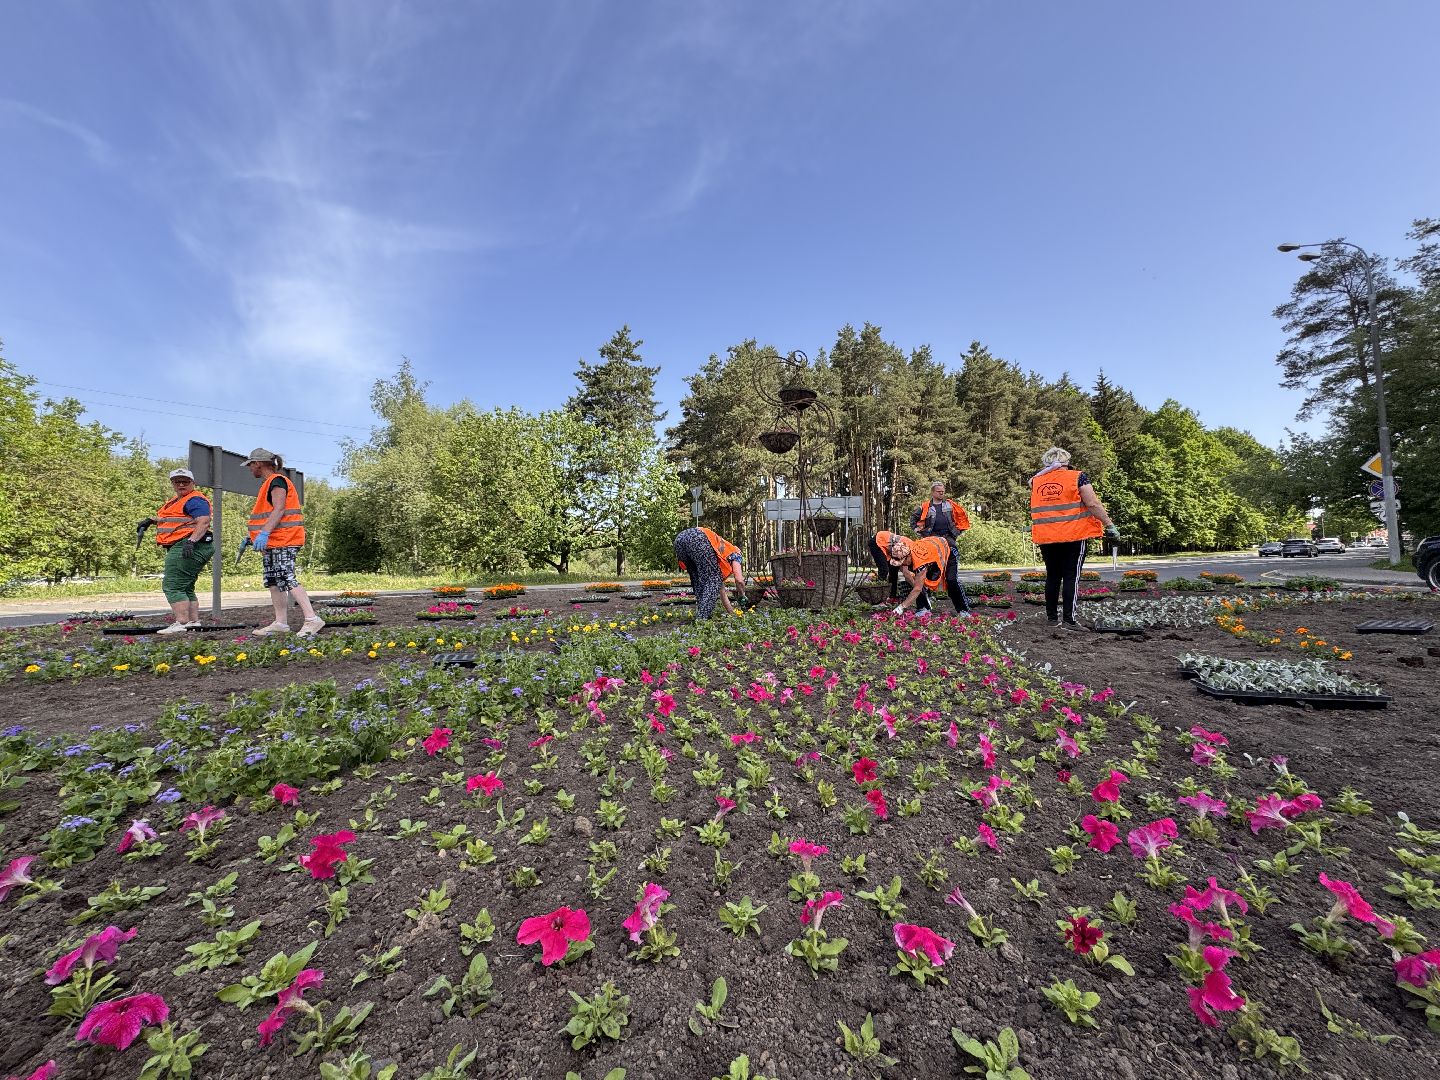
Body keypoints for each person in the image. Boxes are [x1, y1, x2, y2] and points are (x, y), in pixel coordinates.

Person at [1029, 446, 1119, 630]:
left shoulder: (1037, 482)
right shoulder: (1078, 477)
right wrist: (1109, 524)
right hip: (1073, 535)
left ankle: (1052, 618)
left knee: (1053, 576)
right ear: (1066, 462)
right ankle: (1069, 620)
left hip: (1047, 536)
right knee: (1071, 576)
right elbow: (1092, 503)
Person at [244, 448, 325, 637]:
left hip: (284, 540)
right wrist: (254, 536)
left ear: (257, 463)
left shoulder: (277, 481)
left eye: (250, 465)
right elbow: (268, 514)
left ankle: (312, 619)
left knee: (286, 576)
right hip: (273, 541)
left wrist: (263, 533)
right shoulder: (268, 484)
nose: (250, 469)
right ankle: (280, 623)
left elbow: (279, 509)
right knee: (274, 581)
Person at [138, 468, 214, 634]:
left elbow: (203, 521)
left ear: (193, 483)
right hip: (192, 544)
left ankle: (181, 622)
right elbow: (177, 520)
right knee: (186, 586)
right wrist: (152, 520)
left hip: (189, 544)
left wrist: (191, 541)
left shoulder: (194, 500)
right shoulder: (177, 501)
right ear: (172, 483)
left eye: (185, 481)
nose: (181, 484)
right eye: (177, 481)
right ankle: (193, 622)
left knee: (172, 584)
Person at [674, 525, 746, 619]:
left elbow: (721, 591)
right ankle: (701, 619)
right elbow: (739, 580)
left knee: (697, 579)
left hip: (679, 540)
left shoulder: (715, 556)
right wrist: (742, 595)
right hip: (697, 538)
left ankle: (702, 615)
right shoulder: (735, 553)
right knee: (713, 579)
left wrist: (732, 614)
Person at [887, 534, 969, 615]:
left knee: (951, 580)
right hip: (933, 550)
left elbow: (917, 589)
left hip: (949, 548)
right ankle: (923, 608)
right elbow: (910, 577)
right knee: (917, 579)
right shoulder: (906, 550)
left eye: (902, 562)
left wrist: (902, 606)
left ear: (908, 557)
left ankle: (963, 610)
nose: (902, 565)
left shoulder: (920, 561)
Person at [868, 529, 907, 600]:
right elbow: (906, 571)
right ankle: (877, 597)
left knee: (894, 570)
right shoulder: (908, 548)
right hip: (877, 542)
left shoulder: (908, 549)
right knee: (884, 570)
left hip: (889, 548)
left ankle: (892, 596)